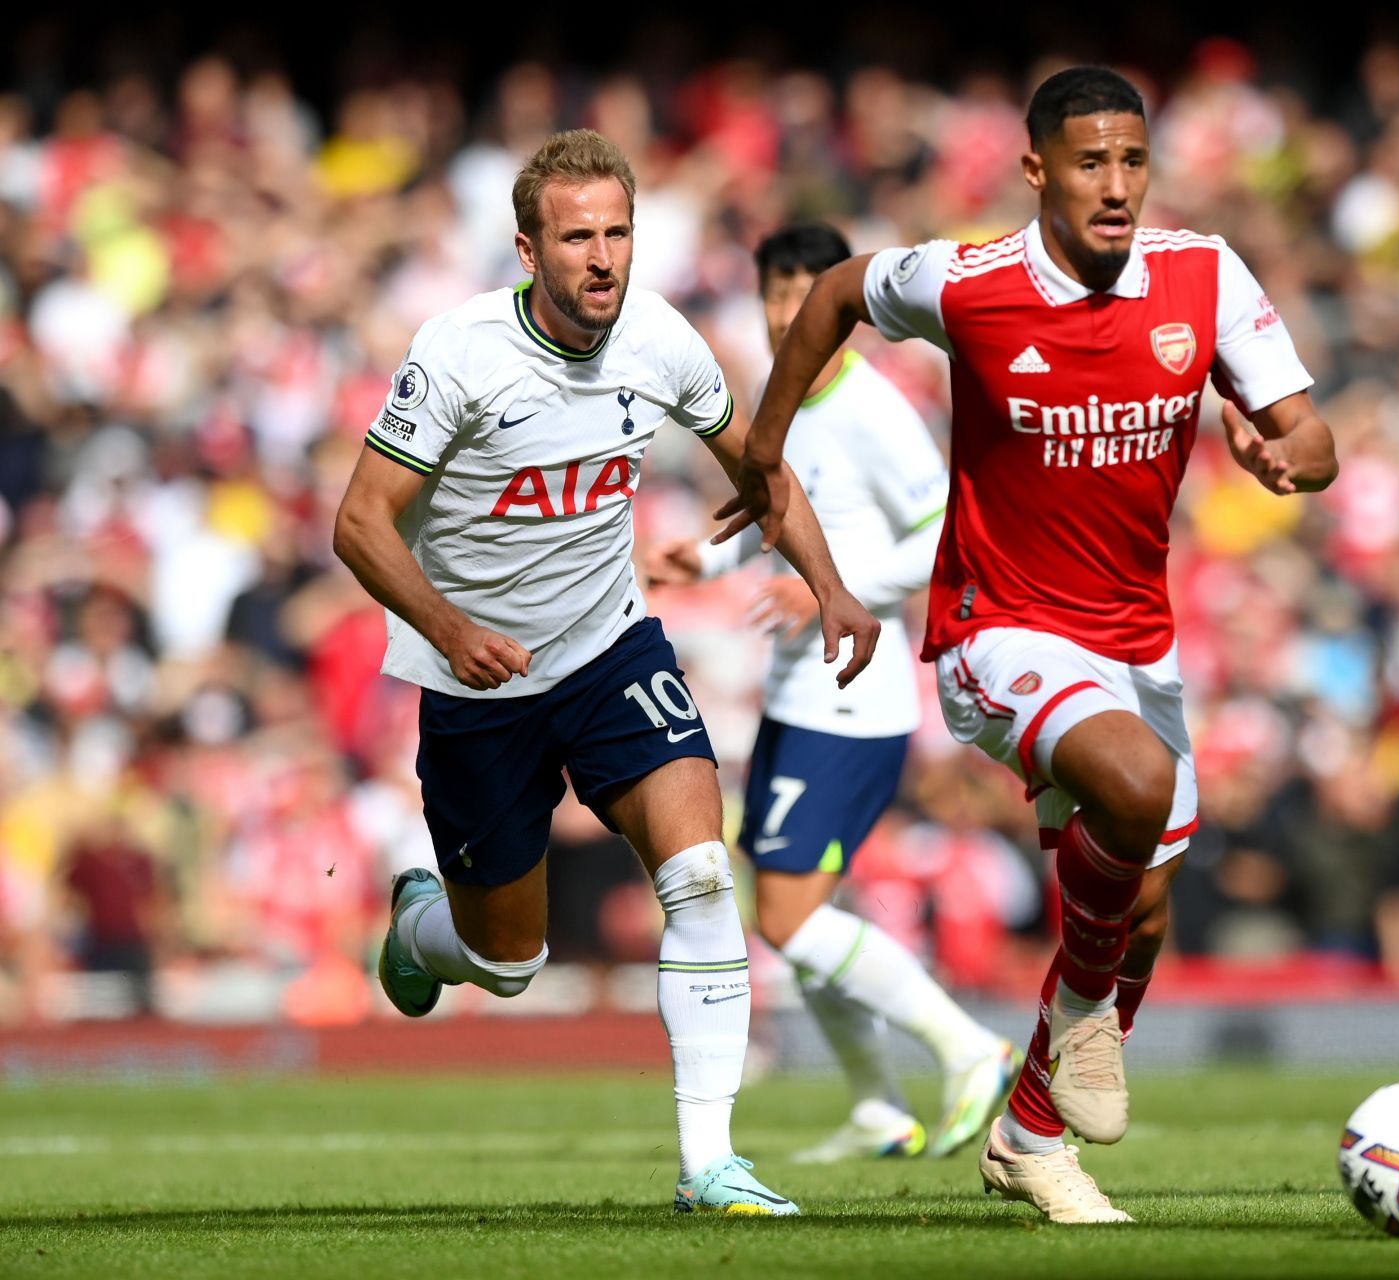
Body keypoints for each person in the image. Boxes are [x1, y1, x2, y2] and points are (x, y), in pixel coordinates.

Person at [714, 68, 1337, 1222]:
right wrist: (766, 438)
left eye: (1134, 162)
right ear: (1039, 169)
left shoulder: (1204, 274)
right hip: (993, 627)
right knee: (1136, 788)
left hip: (1138, 644)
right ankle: (1086, 1021)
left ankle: (1029, 1133)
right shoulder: (972, 282)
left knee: (1144, 908)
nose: (1117, 185)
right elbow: (840, 289)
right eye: (1091, 162)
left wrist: (1294, 451)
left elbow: (1311, 425)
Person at [331, 130, 878, 1217]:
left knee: (703, 875)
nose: (603, 257)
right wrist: (446, 626)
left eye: (618, 232)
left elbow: (759, 472)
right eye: (577, 236)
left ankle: (710, 1160)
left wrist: (834, 585)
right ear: (527, 248)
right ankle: (418, 925)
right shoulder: (460, 353)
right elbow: (359, 523)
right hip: (481, 684)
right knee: (507, 962)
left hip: (610, 649)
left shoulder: (661, 340)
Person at [648, 222, 1013, 1164]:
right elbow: (773, 508)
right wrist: (706, 552)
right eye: (772, 291)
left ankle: (967, 1047)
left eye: (803, 293)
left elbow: (944, 535)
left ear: (839, 309)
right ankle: (879, 1106)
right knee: (791, 906)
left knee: (785, 918)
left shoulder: (875, 411)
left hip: (853, 700)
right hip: (795, 695)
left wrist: (827, 588)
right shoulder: (780, 404)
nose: (783, 312)